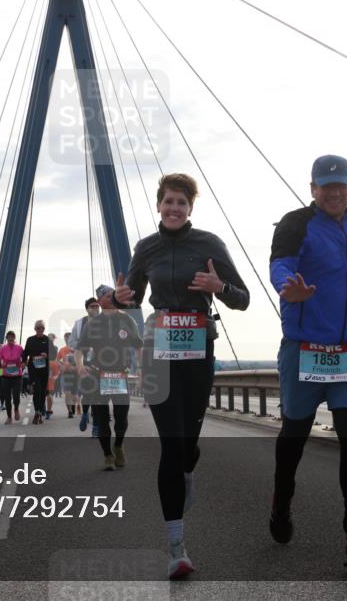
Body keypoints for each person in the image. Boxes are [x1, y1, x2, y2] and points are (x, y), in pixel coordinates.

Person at [111, 173, 250, 579]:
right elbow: (130, 293)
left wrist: (218, 285)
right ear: (159, 205)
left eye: (182, 203)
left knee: (187, 446)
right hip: (158, 352)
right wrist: (119, 297)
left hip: (198, 350)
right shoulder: (146, 247)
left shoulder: (209, 244)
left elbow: (242, 298)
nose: (174, 209)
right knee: (172, 446)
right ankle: (176, 548)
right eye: (169, 201)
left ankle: (187, 469)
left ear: (190, 209)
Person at [268, 155, 347, 568]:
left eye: (342, 185)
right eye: (326, 185)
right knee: (294, 439)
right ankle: (281, 503)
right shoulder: (296, 223)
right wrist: (289, 288)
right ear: (313, 188)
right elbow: (281, 264)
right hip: (305, 350)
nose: (335, 192)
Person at [76, 285, 143, 470]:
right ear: (101, 301)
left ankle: (119, 445)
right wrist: (80, 366)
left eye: (113, 294)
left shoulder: (127, 319)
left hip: (120, 375)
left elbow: (138, 346)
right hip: (98, 374)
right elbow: (80, 350)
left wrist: (141, 370)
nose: (112, 297)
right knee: (101, 417)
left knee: (121, 417)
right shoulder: (93, 323)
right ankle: (107, 456)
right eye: (107, 295)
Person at [71, 297, 102, 432]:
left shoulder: (105, 322)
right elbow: (72, 342)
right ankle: (85, 414)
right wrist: (80, 360)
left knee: (97, 394)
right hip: (84, 362)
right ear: (87, 309)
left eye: (97, 306)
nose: (95, 308)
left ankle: (95, 425)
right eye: (92, 306)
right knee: (88, 392)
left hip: (101, 362)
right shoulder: (79, 323)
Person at [23, 320, 51, 424]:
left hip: (44, 370)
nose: (40, 330)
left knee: (43, 392)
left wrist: (47, 354)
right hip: (33, 369)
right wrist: (23, 361)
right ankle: (37, 412)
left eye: (42, 328)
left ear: (44, 329)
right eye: (38, 328)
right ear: (35, 329)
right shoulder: (30, 340)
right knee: (37, 391)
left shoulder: (47, 340)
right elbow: (25, 353)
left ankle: (40, 412)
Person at [0, 331, 23, 423]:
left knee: (16, 396)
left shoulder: (19, 348)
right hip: (6, 376)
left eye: (12, 337)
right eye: (9, 337)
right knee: (7, 398)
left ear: (14, 338)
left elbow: (24, 358)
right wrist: (0, 369)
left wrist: (23, 364)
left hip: (17, 376)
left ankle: (16, 409)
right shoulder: (2, 348)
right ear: (6, 338)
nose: (10, 338)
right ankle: (9, 417)